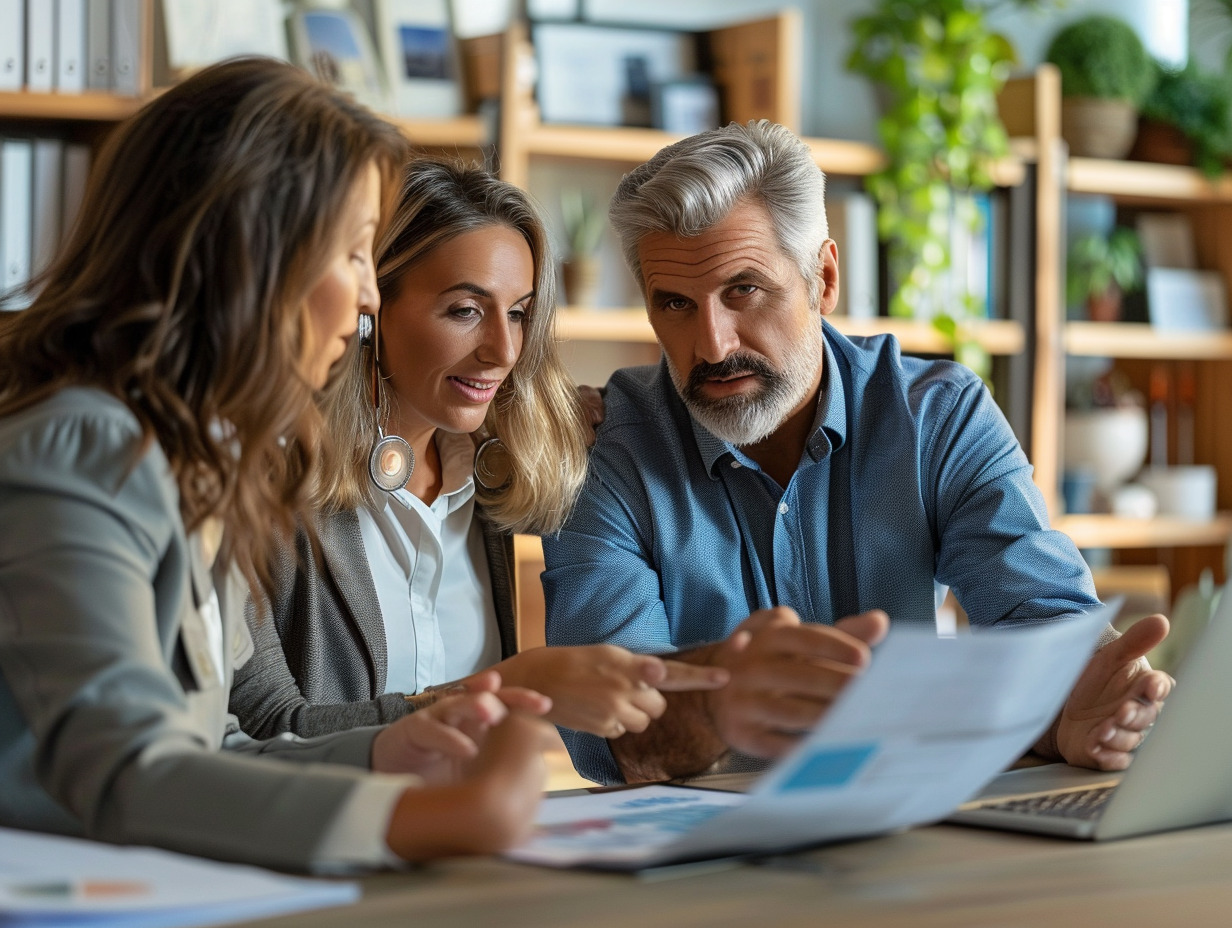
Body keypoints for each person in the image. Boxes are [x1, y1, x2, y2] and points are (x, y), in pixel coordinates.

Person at [0, 58, 560, 872]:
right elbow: (125, 775)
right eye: (354, 255)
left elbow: (215, 748)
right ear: (252, 259)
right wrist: (433, 818)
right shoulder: (86, 447)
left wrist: (389, 754)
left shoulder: (197, 459)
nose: (368, 297)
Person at [541, 120, 1173, 786]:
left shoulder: (938, 415)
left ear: (825, 278)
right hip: (695, 863)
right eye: (674, 303)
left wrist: (1070, 706)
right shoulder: (603, 448)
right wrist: (724, 705)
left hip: (905, 828)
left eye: (744, 291)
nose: (713, 345)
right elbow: (607, 731)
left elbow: (1041, 623)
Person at [230, 158, 727, 746]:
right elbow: (264, 730)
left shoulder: (502, 468)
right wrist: (508, 685)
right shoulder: (255, 479)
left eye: (517, 314)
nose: (503, 350)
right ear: (370, 308)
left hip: (473, 830)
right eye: (465, 311)